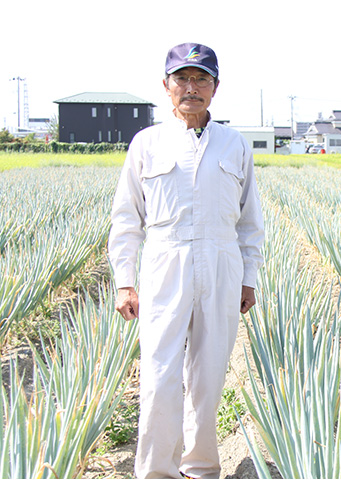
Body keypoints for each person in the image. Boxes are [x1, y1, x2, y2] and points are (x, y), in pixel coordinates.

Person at [108, 42, 264, 479]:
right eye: (182, 78)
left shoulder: (235, 145)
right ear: (166, 86)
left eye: (201, 79)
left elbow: (250, 221)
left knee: (209, 378)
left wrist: (248, 278)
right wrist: (124, 281)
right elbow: (126, 218)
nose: (191, 87)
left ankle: (200, 469)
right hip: (165, 264)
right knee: (159, 378)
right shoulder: (147, 143)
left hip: (221, 266)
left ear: (215, 87)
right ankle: (157, 472)